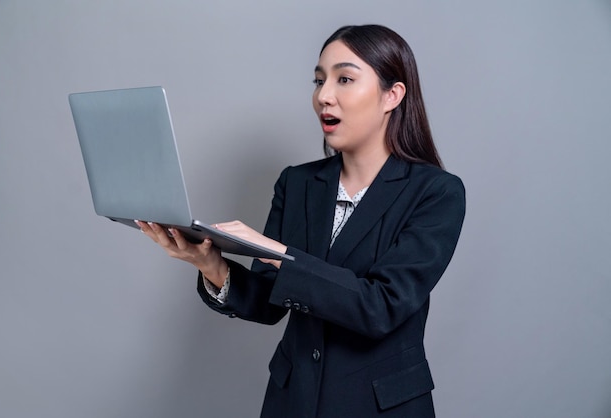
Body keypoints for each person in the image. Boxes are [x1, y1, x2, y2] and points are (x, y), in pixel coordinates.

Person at [136, 24, 465, 418]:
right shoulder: (298, 182)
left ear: (391, 95)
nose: (324, 96)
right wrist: (210, 264)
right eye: (319, 80)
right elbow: (268, 301)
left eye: (344, 79)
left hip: (380, 407)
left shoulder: (436, 193)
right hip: (292, 401)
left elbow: (381, 307)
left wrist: (279, 252)